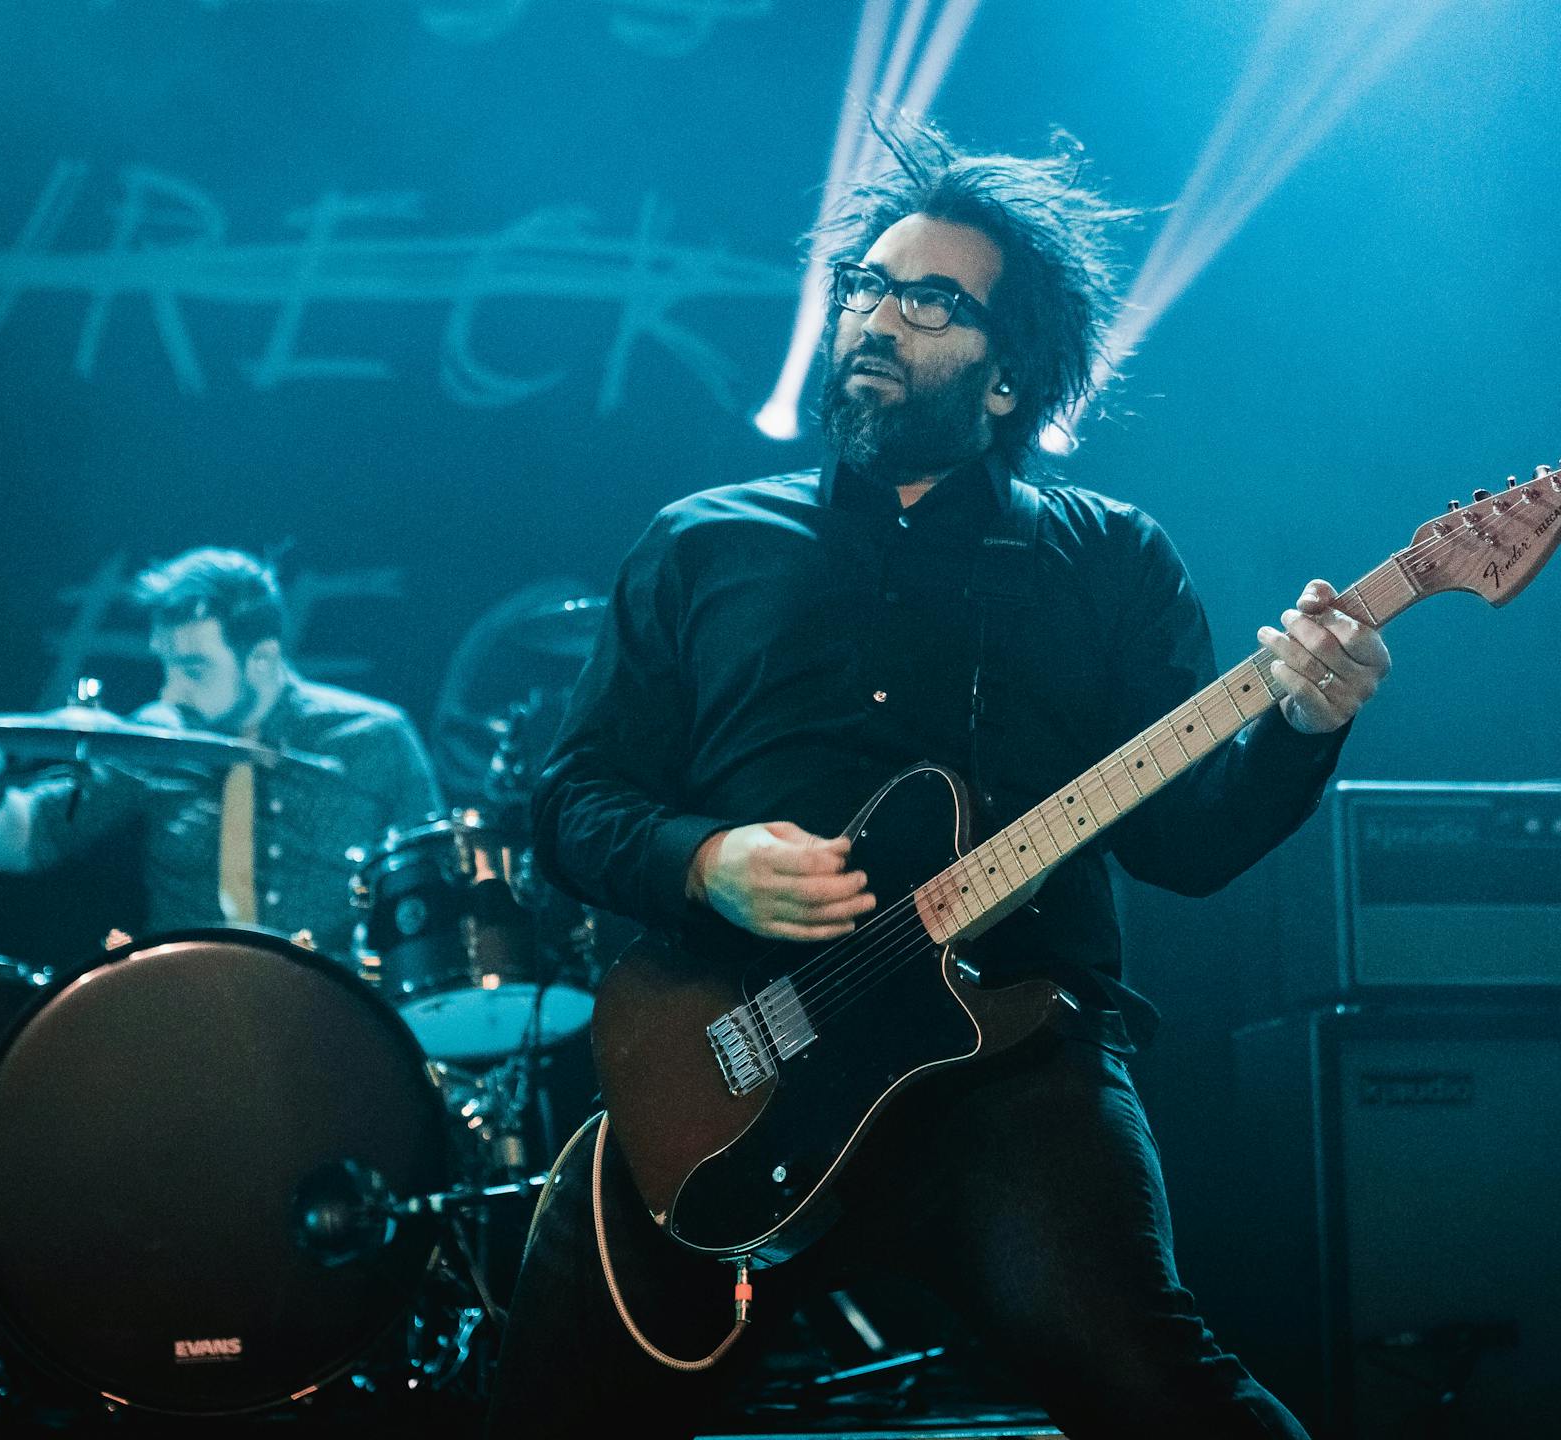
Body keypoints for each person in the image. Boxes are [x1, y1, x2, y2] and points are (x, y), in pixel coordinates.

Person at [490, 123, 1390, 1439]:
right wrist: (704, 861)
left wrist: (1305, 725)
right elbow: (571, 804)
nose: (873, 314)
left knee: (1154, 1384)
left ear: (1010, 374)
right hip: (727, 1054)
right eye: (863, 284)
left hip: (1008, 1062)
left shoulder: (1110, 563)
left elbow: (1188, 847)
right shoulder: (700, 546)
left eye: (928, 300)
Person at [0, 547, 442, 953]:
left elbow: (435, 893)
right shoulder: (157, 736)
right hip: (182, 1013)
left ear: (262, 658)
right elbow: (21, 844)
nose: (170, 691)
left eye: (194, 669)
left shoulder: (375, 737)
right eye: (167, 665)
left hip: (331, 1017)